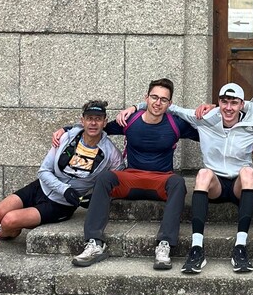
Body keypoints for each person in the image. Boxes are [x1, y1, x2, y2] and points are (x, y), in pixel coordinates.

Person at [0, 100, 123, 275]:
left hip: (60, 205)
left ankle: (0, 233)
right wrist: (64, 188)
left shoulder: (110, 153)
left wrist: (94, 195)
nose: (93, 123)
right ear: (82, 120)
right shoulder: (66, 137)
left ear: (105, 122)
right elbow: (43, 171)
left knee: (9, 220)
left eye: (98, 119)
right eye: (90, 118)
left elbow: (118, 179)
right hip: (40, 187)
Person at [121, 83, 253, 275]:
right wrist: (136, 107)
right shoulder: (204, 119)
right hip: (215, 185)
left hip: (239, 186)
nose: (228, 108)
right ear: (218, 102)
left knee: (248, 172)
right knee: (202, 173)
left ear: (242, 105)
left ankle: (240, 247)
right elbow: (169, 106)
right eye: (224, 102)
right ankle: (196, 249)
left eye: (234, 103)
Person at [62, 79, 198, 270]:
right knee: (105, 178)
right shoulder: (130, 120)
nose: (158, 103)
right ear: (146, 98)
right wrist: (66, 130)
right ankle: (95, 243)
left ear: (170, 103)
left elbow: (206, 133)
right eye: (154, 97)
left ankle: (164, 245)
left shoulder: (175, 124)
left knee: (178, 182)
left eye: (164, 100)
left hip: (160, 180)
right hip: (131, 177)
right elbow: (96, 127)